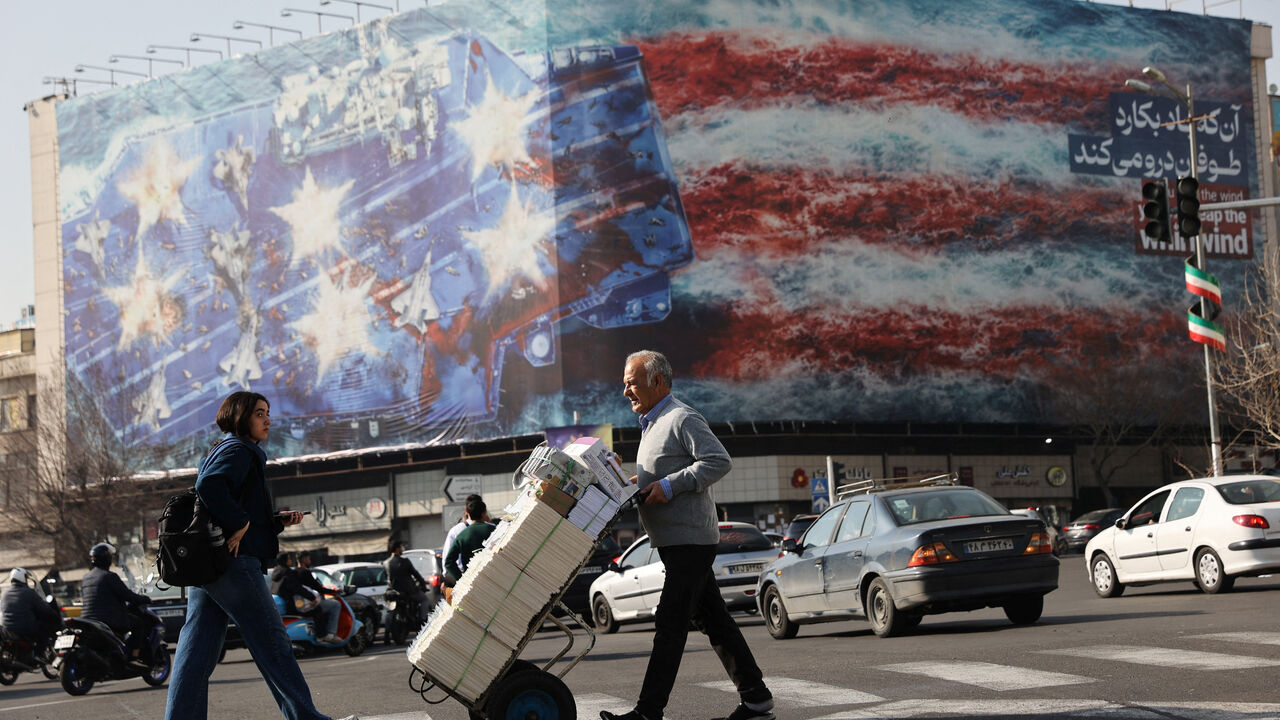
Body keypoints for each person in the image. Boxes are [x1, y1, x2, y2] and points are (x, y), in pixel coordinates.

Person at [601, 350, 773, 720]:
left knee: (670, 624)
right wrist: (635, 484)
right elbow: (663, 474)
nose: (625, 391)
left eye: (631, 382)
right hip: (675, 542)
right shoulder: (652, 424)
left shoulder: (681, 417)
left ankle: (647, 713)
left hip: (691, 542)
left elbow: (718, 461)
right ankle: (757, 702)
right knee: (716, 623)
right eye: (624, 384)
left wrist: (669, 485)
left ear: (657, 381)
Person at [164, 391, 357, 720]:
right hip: (234, 566)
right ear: (241, 416)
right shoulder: (239, 449)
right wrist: (239, 521)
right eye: (259, 413)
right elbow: (209, 487)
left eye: (268, 413)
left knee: (196, 651)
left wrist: (273, 522)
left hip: (208, 564)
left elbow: (229, 501)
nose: (268, 420)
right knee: (272, 641)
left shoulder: (220, 448)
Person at [81, 542, 154, 662]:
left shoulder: (86, 577)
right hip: (109, 620)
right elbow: (127, 595)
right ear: (107, 559)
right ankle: (135, 657)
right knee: (138, 624)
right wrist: (145, 599)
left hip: (88, 619)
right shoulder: (109, 576)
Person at [271, 552, 342, 644]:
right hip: (293, 605)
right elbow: (298, 588)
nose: (290, 560)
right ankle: (323, 636)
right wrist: (313, 598)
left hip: (285, 605)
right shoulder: (288, 573)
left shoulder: (276, 573)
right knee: (318, 609)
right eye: (288, 559)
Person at [1, 568, 60, 666]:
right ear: (22, 578)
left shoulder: (4, 593)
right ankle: (39, 654)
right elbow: (43, 609)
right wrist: (53, 614)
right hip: (24, 628)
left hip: (7, 629)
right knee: (44, 630)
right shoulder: (28, 592)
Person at [444, 496, 495, 584]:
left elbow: (448, 562)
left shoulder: (461, 535)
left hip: (472, 581)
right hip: (494, 575)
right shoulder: (494, 529)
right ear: (484, 513)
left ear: (467, 512)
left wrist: (461, 579)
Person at [383, 540, 429, 624]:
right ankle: (423, 620)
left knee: (388, 609)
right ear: (397, 549)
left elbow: (386, 578)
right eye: (401, 547)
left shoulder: (385, 563)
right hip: (409, 591)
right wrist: (423, 585)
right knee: (424, 599)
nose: (402, 549)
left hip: (392, 592)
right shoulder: (405, 561)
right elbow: (416, 575)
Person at [442, 493, 482, 578]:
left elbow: (447, 559)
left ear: (466, 510)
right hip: (486, 574)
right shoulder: (491, 528)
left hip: (463, 576)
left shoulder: (456, 530)